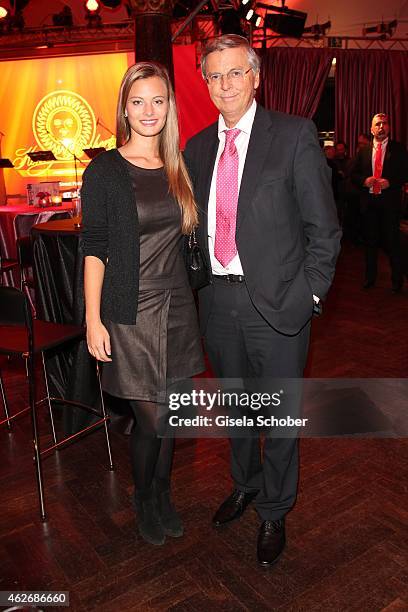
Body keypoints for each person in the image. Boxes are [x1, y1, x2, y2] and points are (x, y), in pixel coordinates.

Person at [184, 35, 341, 567]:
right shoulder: (198, 147)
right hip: (218, 305)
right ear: (205, 84)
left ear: (256, 77)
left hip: (277, 309)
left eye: (234, 73)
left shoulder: (294, 137)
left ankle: (275, 509)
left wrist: (308, 297)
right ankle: (246, 484)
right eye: (214, 76)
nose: (224, 84)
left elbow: (326, 231)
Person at [81, 62, 204, 546]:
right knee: (150, 417)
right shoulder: (105, 170)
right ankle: (144, 496)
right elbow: (94, 246)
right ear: (125, 109)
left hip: (177, 306)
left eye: (158, 100)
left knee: (171, 414)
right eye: (138, 102)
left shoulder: (181, 165)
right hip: (129, 310)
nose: (149, 111)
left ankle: (163, 492)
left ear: (169, 106)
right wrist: (93, 319)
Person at [351, 113, 408, 292]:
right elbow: (353, 174)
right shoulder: (364, 151)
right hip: (369, 204)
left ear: (389, 128)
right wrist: (363, 181)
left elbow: (405, 173)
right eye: (377, 124)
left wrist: (391, 182)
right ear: (371, 129)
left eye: (384, 123)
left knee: (393, 243)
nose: (381, 127)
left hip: (390, 204)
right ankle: (369, 279)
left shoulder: (398, 149)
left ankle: (397, 282)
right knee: (370, 243)